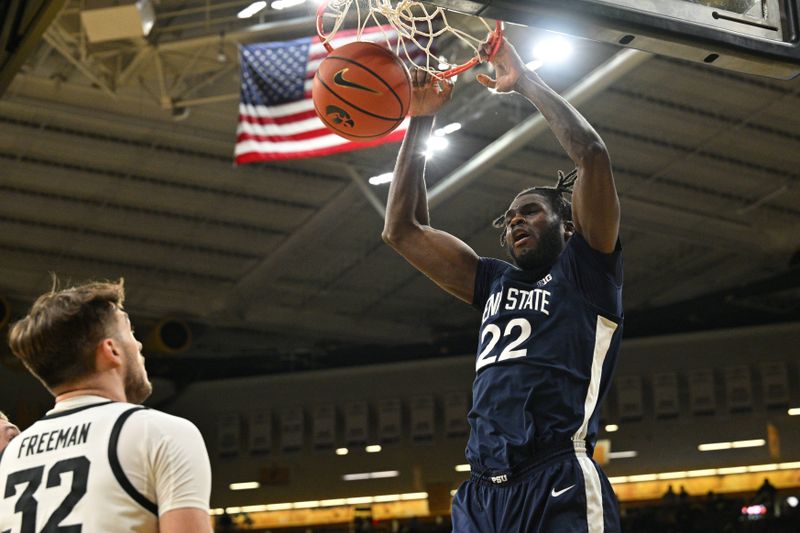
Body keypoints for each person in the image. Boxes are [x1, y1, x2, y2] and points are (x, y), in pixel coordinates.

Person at [382, 36, 623, 532]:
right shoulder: (493, 280)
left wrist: (526, 83)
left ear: (568, 226)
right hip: (481, 494)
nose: (514, 221)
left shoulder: (587, 270)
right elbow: (401, 229)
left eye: (530, 211)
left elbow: (592, 156)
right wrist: (420, 116)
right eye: (509, 217)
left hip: (556, 474)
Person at [0, 279, 213, 533]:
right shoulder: (160, 433)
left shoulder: (10, 456)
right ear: (111, 350)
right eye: (130, 333)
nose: (139, 344)